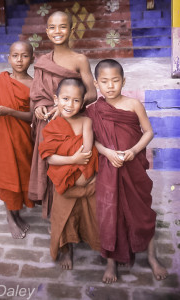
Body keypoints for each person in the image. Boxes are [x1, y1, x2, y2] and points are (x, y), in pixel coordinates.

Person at [86, 59, 168, 283]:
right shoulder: (93, 110)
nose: (110, 86)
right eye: (104, 81)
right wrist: (107, 153)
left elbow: (148, 132)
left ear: (124, 81)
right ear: (96, 83)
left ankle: (151, 256)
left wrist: (132, 151)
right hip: (108, 167)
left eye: (115, 80)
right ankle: (111, 263)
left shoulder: (133, 105)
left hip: (133, 167)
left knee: (142, 212)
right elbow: (92, 141)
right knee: (109, 214)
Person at [29, 11, 97, 218]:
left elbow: (92, 92)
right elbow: (37, 93)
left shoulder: (79, 59)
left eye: (63, 26)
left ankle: (76, 218)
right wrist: (40, 106)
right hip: (48, 124)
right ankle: (55, 216)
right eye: (52, 27)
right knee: (51, 164)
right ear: (47, 31)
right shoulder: (42, 61)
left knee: (71, 168)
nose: (57, 31)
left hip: (73, 124)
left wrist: (67, 107)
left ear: (72, 30)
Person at [38, 78, 100, 269]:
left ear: (82, 103)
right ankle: (67, 251)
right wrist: (72, 160)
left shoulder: (86, 122)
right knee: (64, 219)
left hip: (87, 181)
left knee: (91, 217)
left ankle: (97, 244)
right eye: (65, 98)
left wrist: (76, 159)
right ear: (56, 99)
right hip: (64, 184)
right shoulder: (52, 127)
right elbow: (49, 158)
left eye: (75, 100)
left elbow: (87, 152)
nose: (70, 104)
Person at [0, 41, 35, 239]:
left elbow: (32, 117)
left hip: (21, 135)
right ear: (8, 58)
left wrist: (10, 112)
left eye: (24, 56)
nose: (19, 60)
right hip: (0, 134)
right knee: (6, 175)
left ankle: (16, 213)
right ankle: (10, 217)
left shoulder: (33, 84)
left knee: (21, 173)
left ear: (32, 58)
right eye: (15, 55)